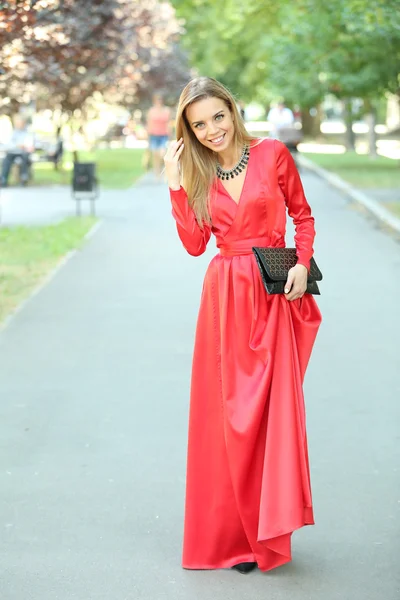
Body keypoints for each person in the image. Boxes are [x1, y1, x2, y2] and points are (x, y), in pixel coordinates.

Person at [164, 77, 321, 575]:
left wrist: (302, 261)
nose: (212, 130)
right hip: (226, 298)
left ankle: (266, 530)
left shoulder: (272, 152)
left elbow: (303, 215)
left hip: (273, 292)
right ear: (188, 131)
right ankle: (235, 536)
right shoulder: (198, 171)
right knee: (228, 419)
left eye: (217, 117)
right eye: (199, 124)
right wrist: (175, 185)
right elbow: (194, 244)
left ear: (232, 111)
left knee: (267, 415)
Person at [0, 116, 35, 187]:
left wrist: (24, 146)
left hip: (24, 153)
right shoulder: (13, 133)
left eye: (20, 123)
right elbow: (9, 144)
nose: (19, 125)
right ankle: (3, 179)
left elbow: (30, 143)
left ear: (24, 123)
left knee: (24, 157)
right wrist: (16, 145)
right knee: (6, 160)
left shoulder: (28, 132)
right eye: (17, 123)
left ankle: (23, 177)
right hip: (13, 152)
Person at [146, 94, 171, 178]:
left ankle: (161, 170)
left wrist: (170, 134)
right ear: (154, 101)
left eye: (160, 99)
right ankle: (157, 172)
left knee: (162, 154)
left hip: (163, 135)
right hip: (154, 135)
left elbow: (169, 123)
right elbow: (149, 123)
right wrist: (148, 136)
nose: (159, 101)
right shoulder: (151, 111)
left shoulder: (167, 110)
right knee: (155, 155)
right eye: (157, 100)